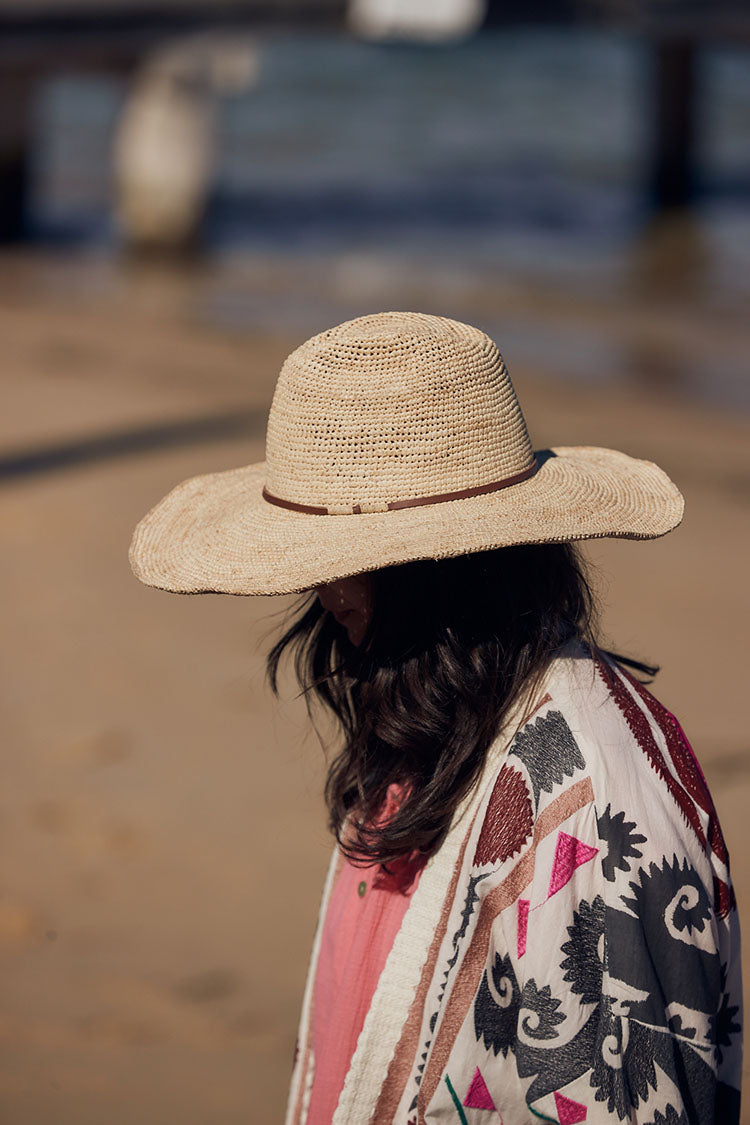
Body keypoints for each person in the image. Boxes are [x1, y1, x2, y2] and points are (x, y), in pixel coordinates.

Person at [129, 311, 742, 1124]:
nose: (326, 592)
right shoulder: (432, 718)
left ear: (453, 567)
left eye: (352, 562)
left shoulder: (599, 809)